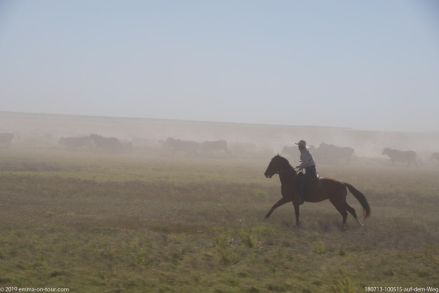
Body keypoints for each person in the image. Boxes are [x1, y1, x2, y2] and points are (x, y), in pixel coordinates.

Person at [295, 140, 317, 204]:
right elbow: (306, 162)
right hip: (310, 169)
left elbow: (307, 163)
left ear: (301, 146)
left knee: (301, 181)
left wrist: (300, 167)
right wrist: (300, 166)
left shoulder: (304, 152)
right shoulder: (304, 152)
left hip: (310, 169)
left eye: (299, 146)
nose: (298, 147)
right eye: (298, 145)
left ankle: (301, 198)